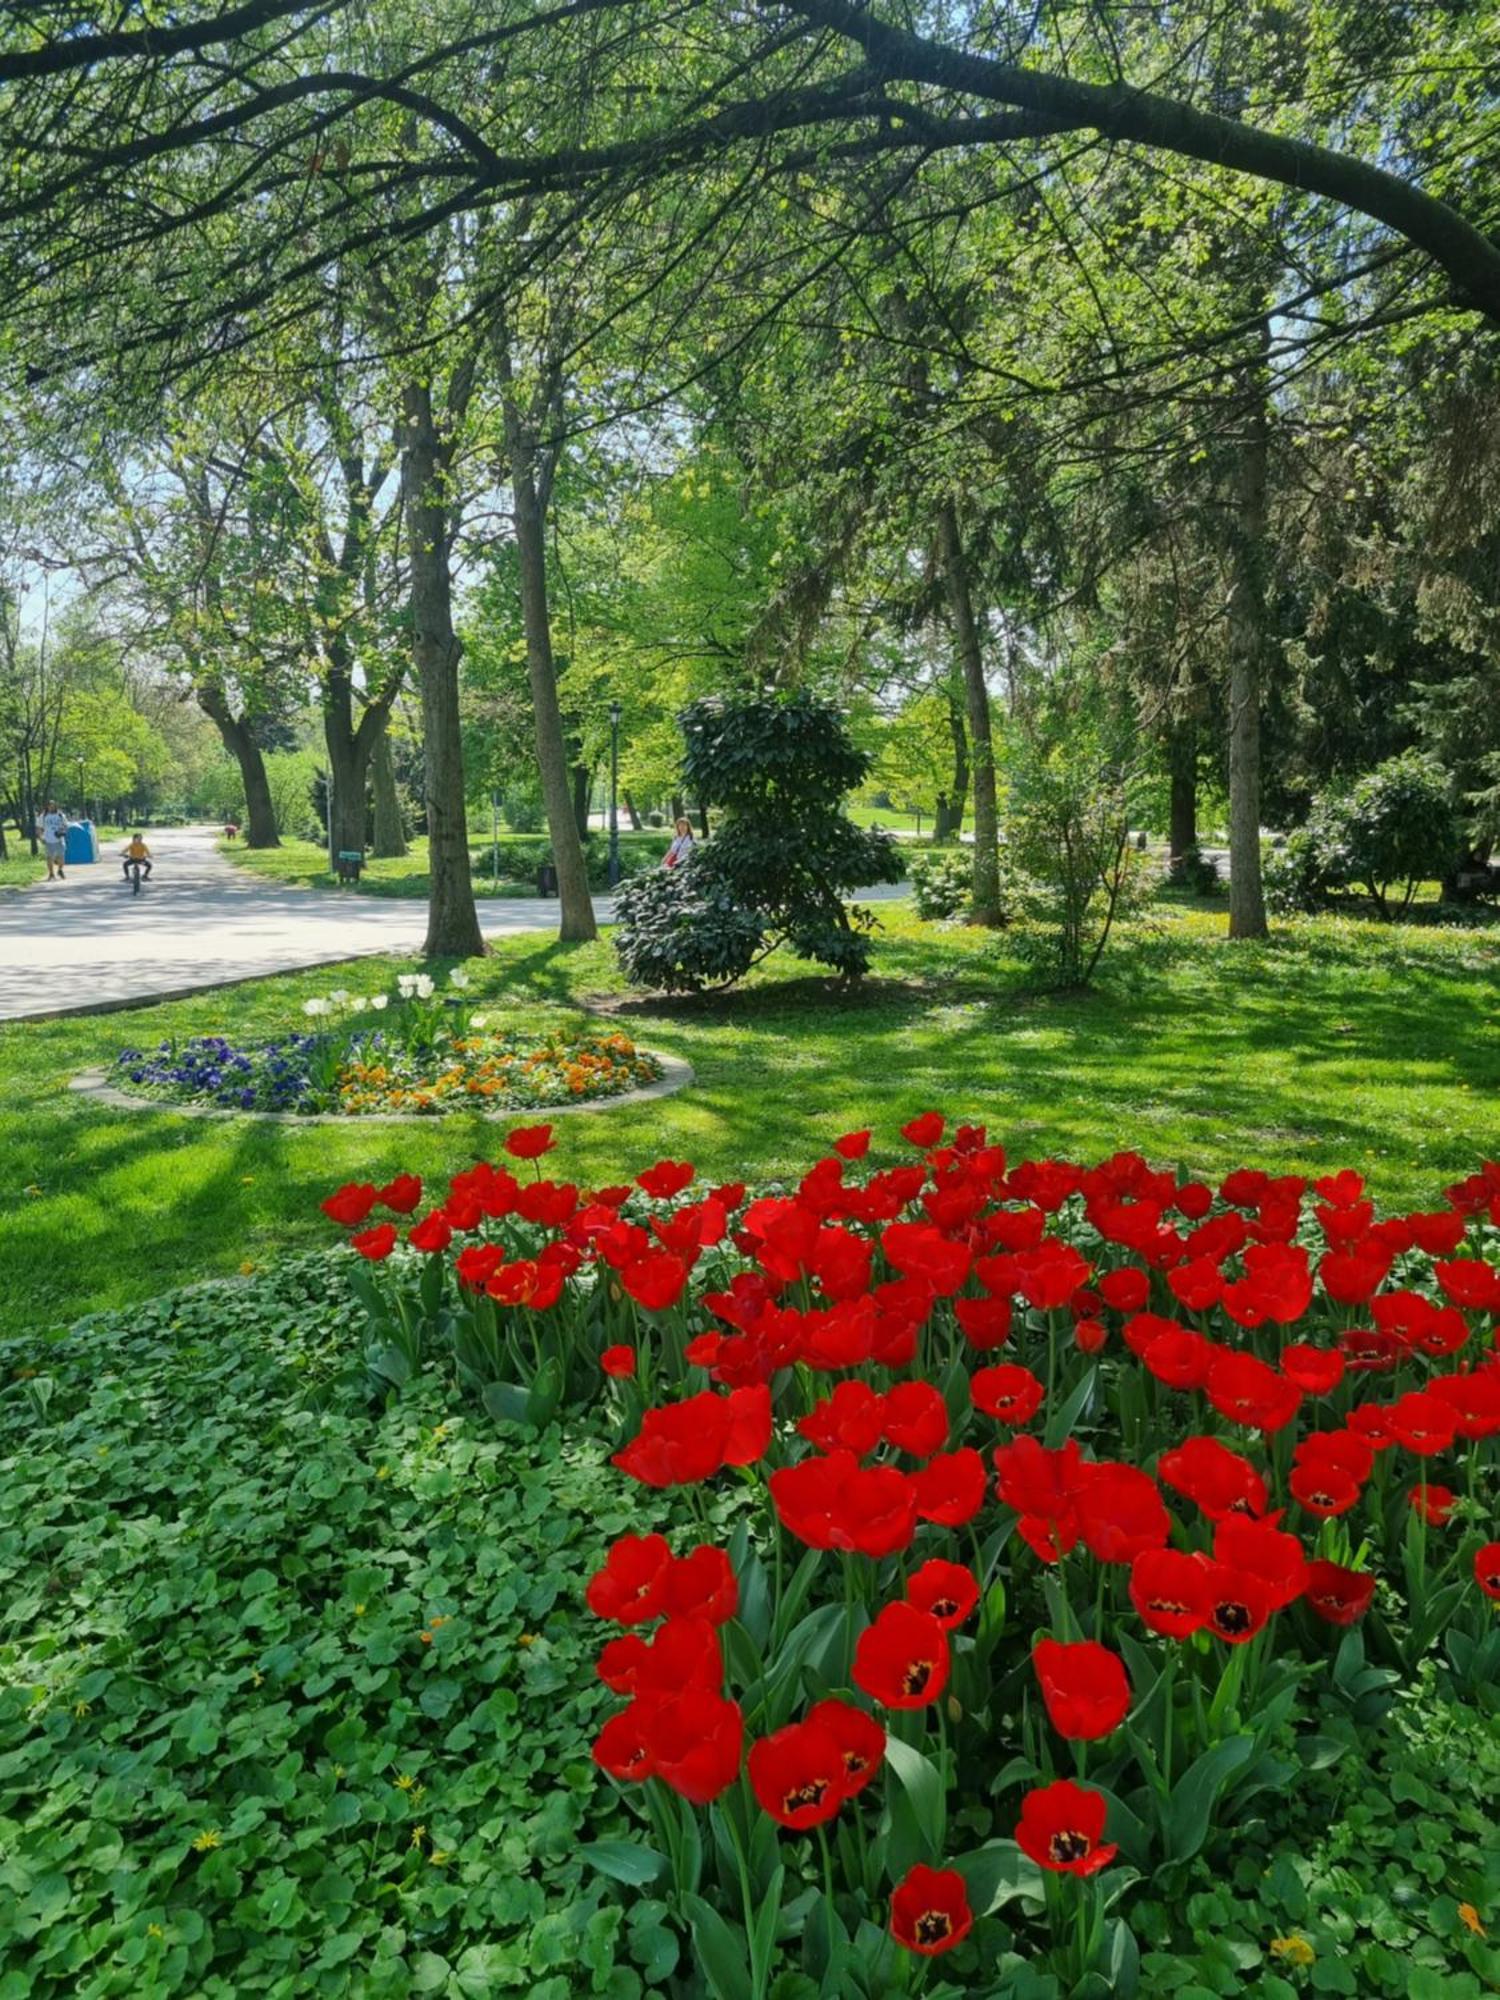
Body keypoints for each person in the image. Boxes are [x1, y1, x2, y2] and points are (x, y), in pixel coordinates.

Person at [37, 800, 68, 881]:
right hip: (48, 839)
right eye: (50, 805)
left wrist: (62, 831)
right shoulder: (43, 816)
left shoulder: (60, 815)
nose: (51, 807)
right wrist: (41, 837)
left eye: (53, 805)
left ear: (55, 806)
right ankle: (51, 873)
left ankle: (60, 870)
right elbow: (39, 828)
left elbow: (66, 826)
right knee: (49, 858)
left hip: (59, 839)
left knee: (61, 857)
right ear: (47, 806)